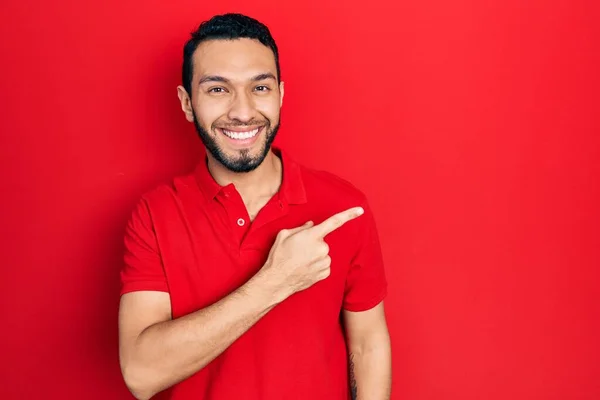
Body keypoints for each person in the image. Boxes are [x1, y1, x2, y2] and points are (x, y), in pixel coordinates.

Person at [118, 13, 392, 400]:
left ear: (280, 94)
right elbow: (141, 374)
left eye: (259, 88)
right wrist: (275, 281)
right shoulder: (154, 214)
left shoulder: (344, 206)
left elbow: (367, 344)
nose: (243, 112)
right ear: (186, 102)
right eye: (218, 90)